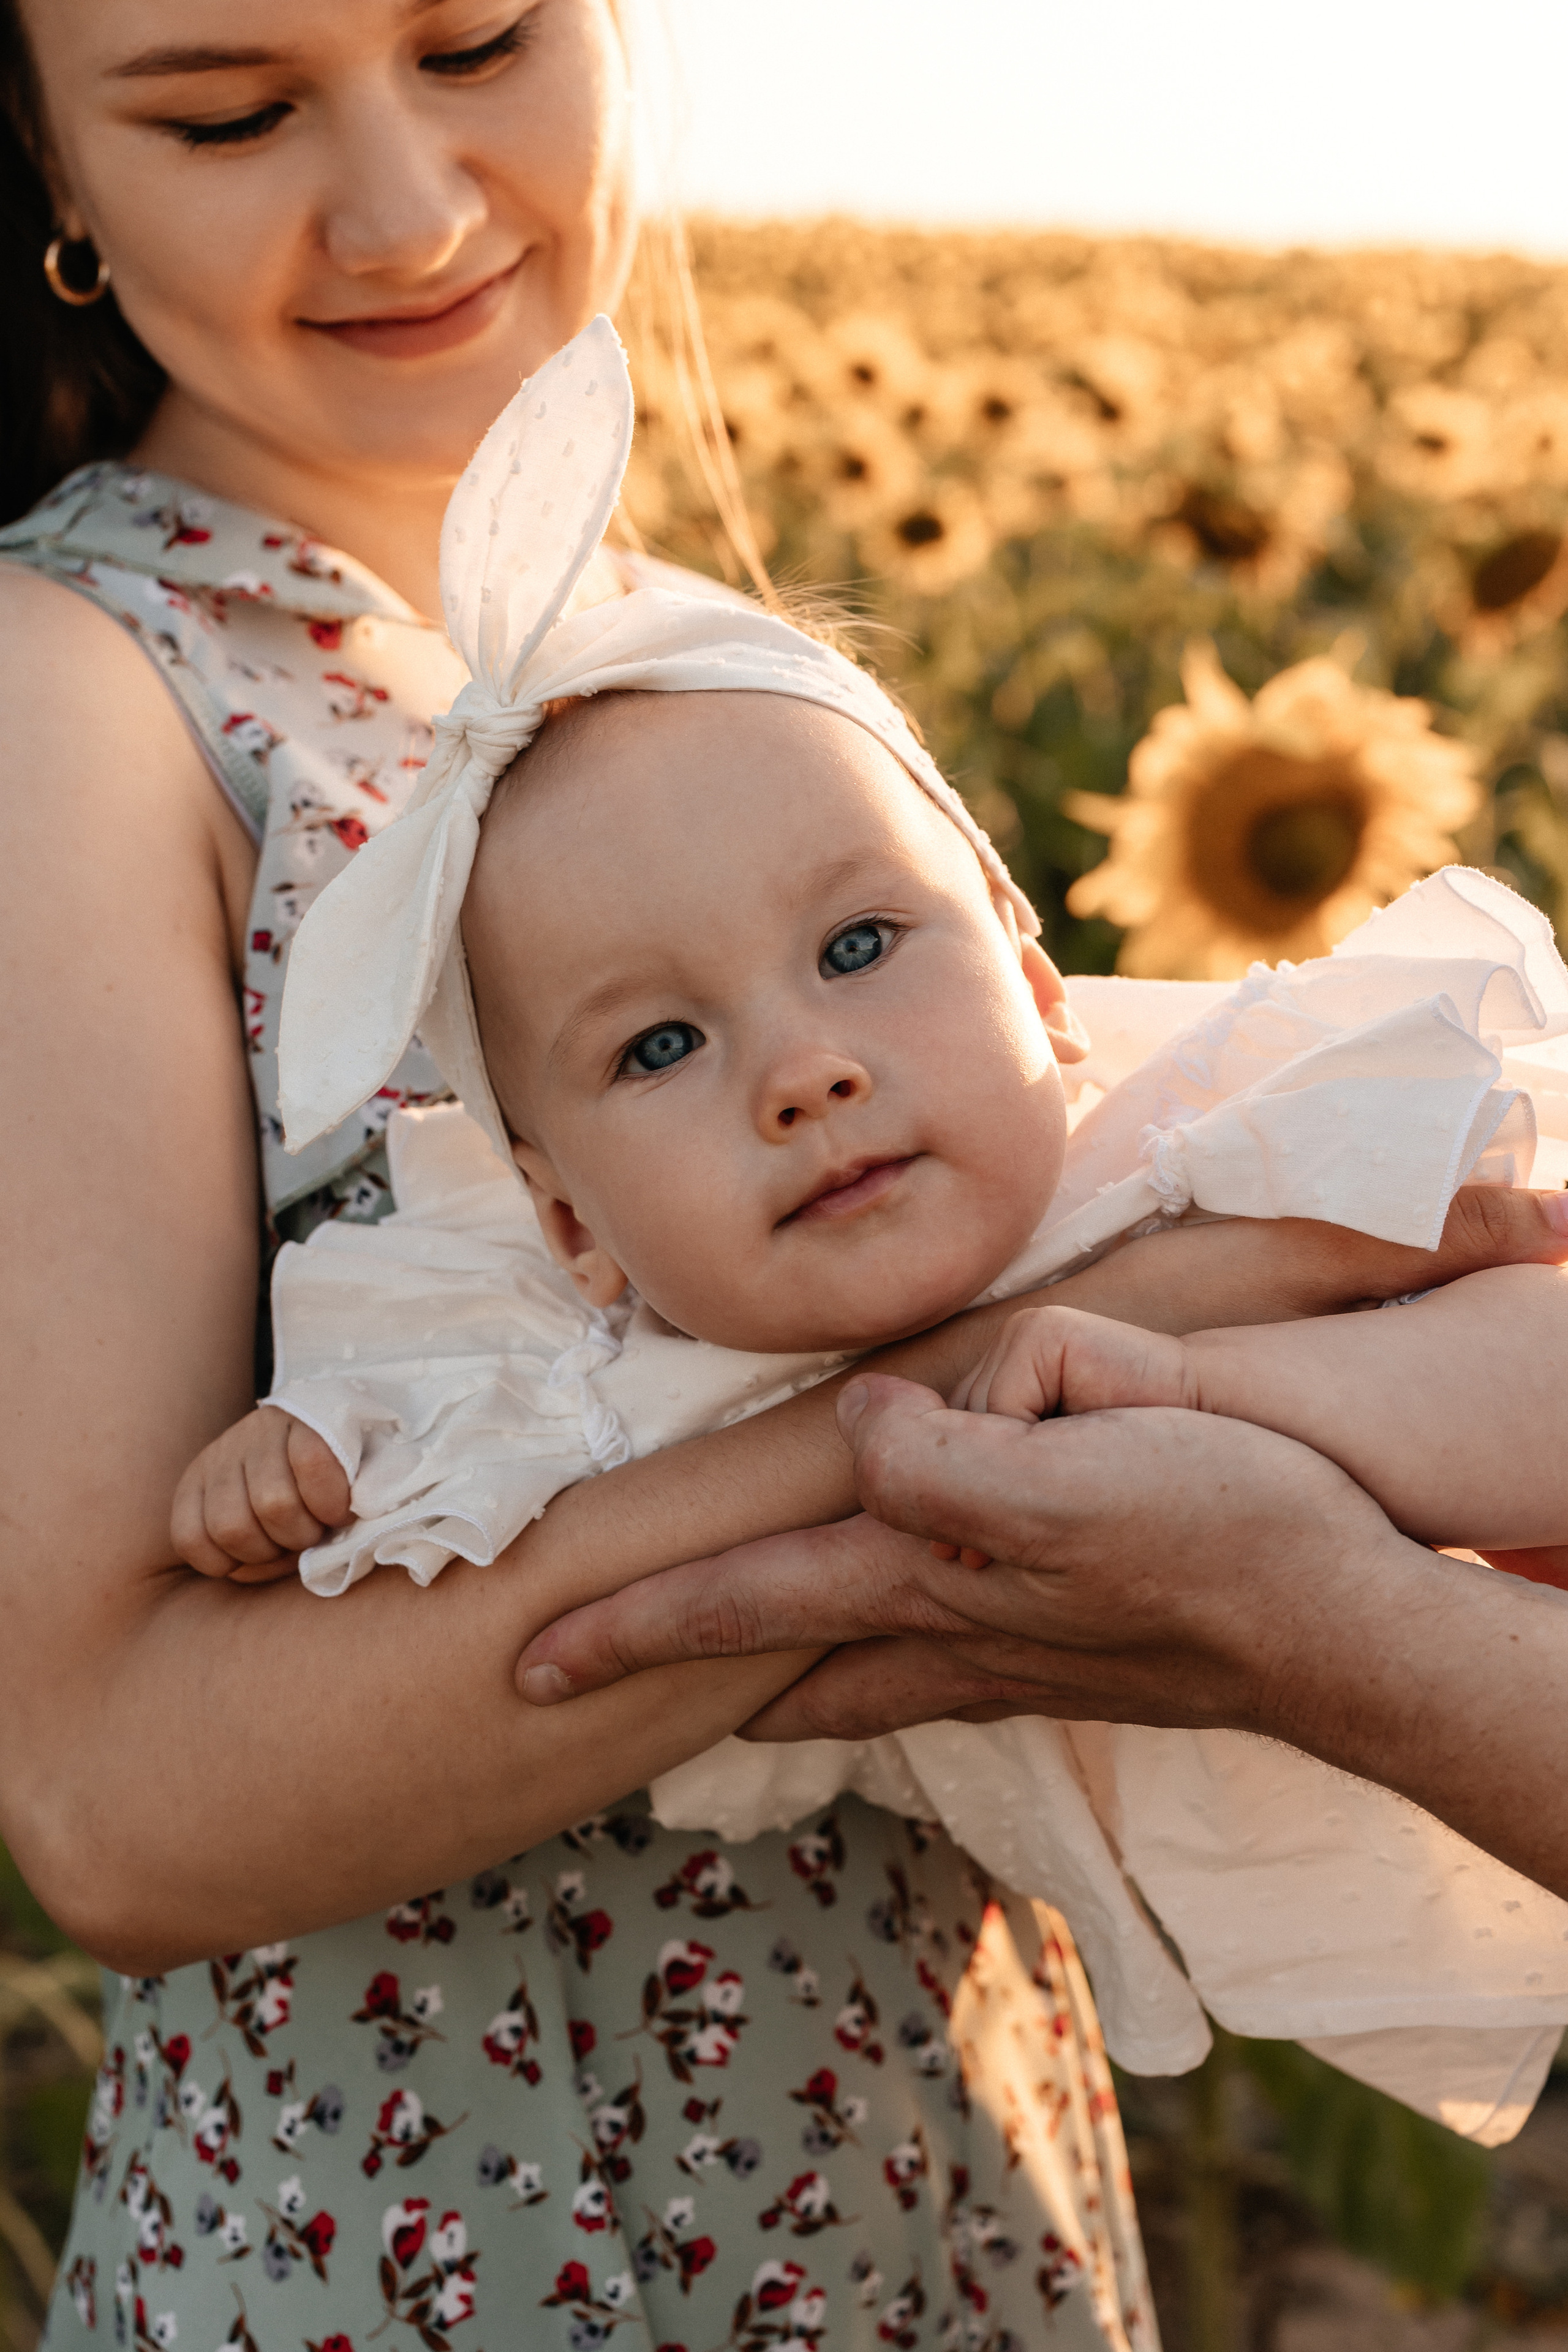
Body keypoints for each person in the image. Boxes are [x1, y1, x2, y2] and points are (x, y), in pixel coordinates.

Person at [4, 2, 1568, 2346]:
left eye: (484, 35)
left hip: (917, 2122)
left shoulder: (635, 633)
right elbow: (123, 1809)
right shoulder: (73, 693)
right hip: (482, 2219)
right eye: (226, 110)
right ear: (36, 148)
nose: (415, 207)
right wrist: (1064, 1381)